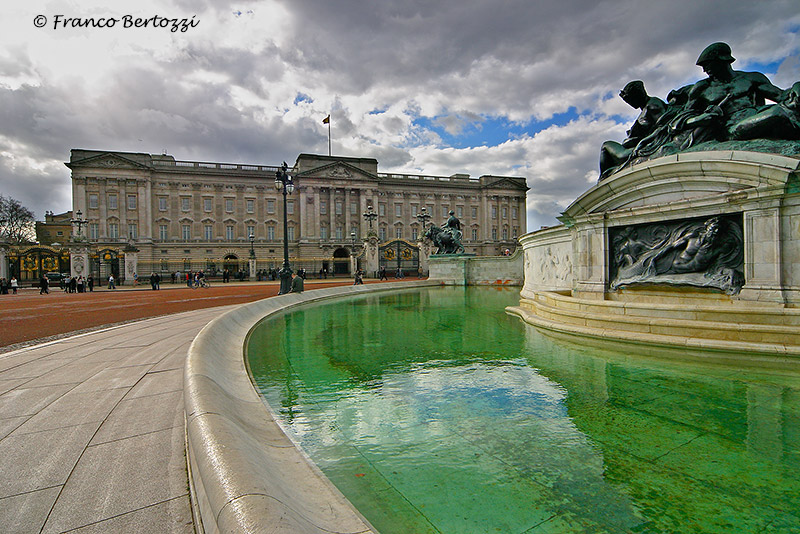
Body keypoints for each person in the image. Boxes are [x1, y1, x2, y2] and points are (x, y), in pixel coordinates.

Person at [599, 80, 667, 179]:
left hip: (640, 148)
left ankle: (604, 178)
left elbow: (662, 127)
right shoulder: (646, 107)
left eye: (630, 99)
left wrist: (642, 143)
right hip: (633, 147)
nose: (629, 103)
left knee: (606, 146)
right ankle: (606, 177)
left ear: (637, 95)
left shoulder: (652, 105)